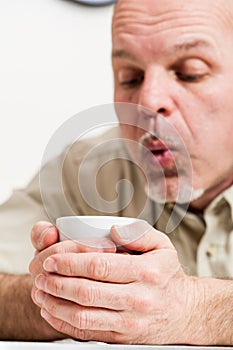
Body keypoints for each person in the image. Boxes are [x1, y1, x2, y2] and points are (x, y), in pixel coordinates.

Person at [1, 0, 233, 344]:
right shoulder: (86, 169)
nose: (145, 100)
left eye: (189, 72)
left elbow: (191, 310)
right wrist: (62, 298)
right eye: (131, 77)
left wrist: (194, 309)